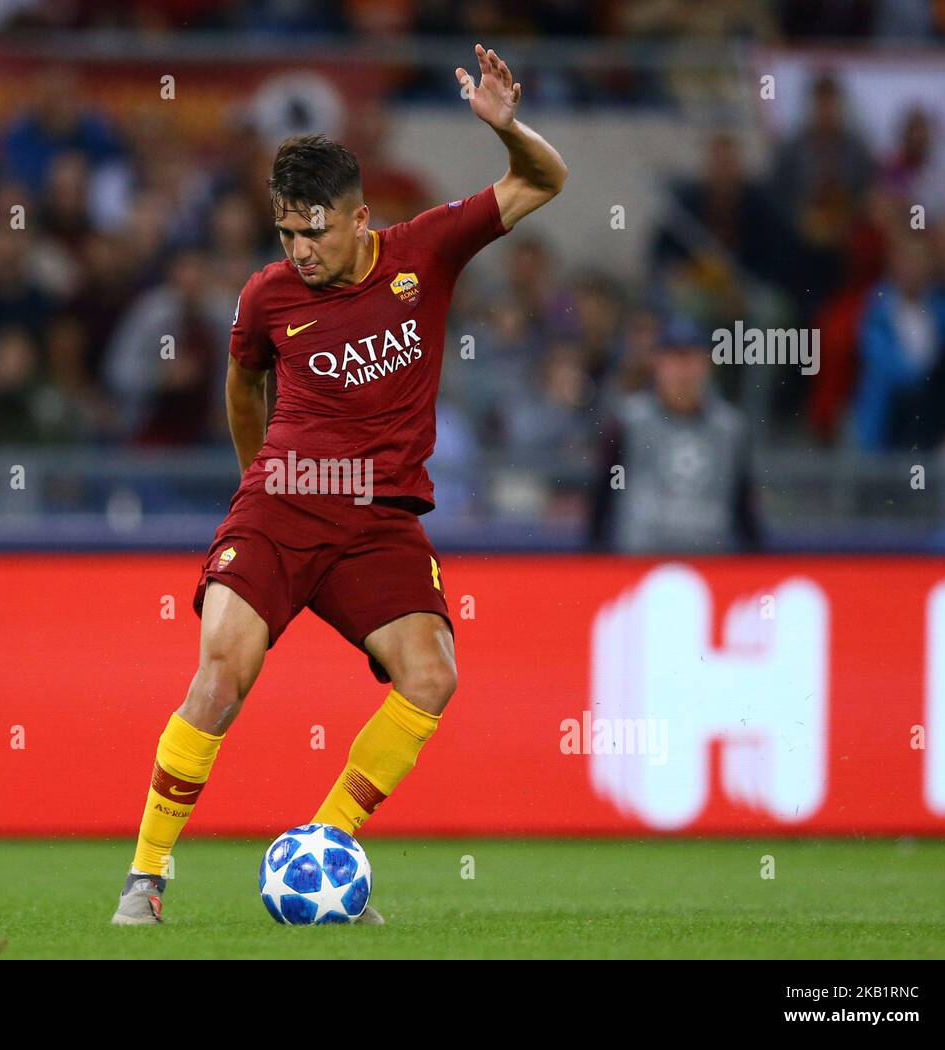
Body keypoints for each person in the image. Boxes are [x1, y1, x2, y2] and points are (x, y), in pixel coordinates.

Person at [112, 44, 568, 925]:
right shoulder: (266, 297)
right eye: (286, 230)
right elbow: (242, 385)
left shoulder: (425, 252)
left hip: (379, 524)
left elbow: (545, 182)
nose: (300, 249)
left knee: (432, 677)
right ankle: (146, 877)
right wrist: (257, 487)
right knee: (220, 675)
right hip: (281, 507)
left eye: (315, 229)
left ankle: (326, 843)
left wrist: (509, 130)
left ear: (361, 217)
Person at [589, 316, 761, 554]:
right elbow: (603, 499)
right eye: (673, 360)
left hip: (711, 565)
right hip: (639, 563)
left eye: (691, 359)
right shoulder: (628, 423)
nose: (683, 372)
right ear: (656, 363)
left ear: (707, 363)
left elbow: (743, 507)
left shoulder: (730, 430)